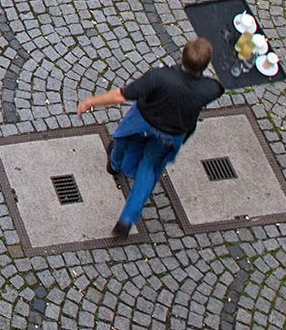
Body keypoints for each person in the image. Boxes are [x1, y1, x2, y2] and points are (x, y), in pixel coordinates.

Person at [76, 36, 222, 239]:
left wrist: (90, 101)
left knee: (121, 138)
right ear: (205, 66)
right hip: (170, 134)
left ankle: (115, 164)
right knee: (148, 168)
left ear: (182, 56)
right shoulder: (211, 89)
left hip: (142, 121)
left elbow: (122, 95)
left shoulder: (160, 77)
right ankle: (127, 219)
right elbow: (222, 82)